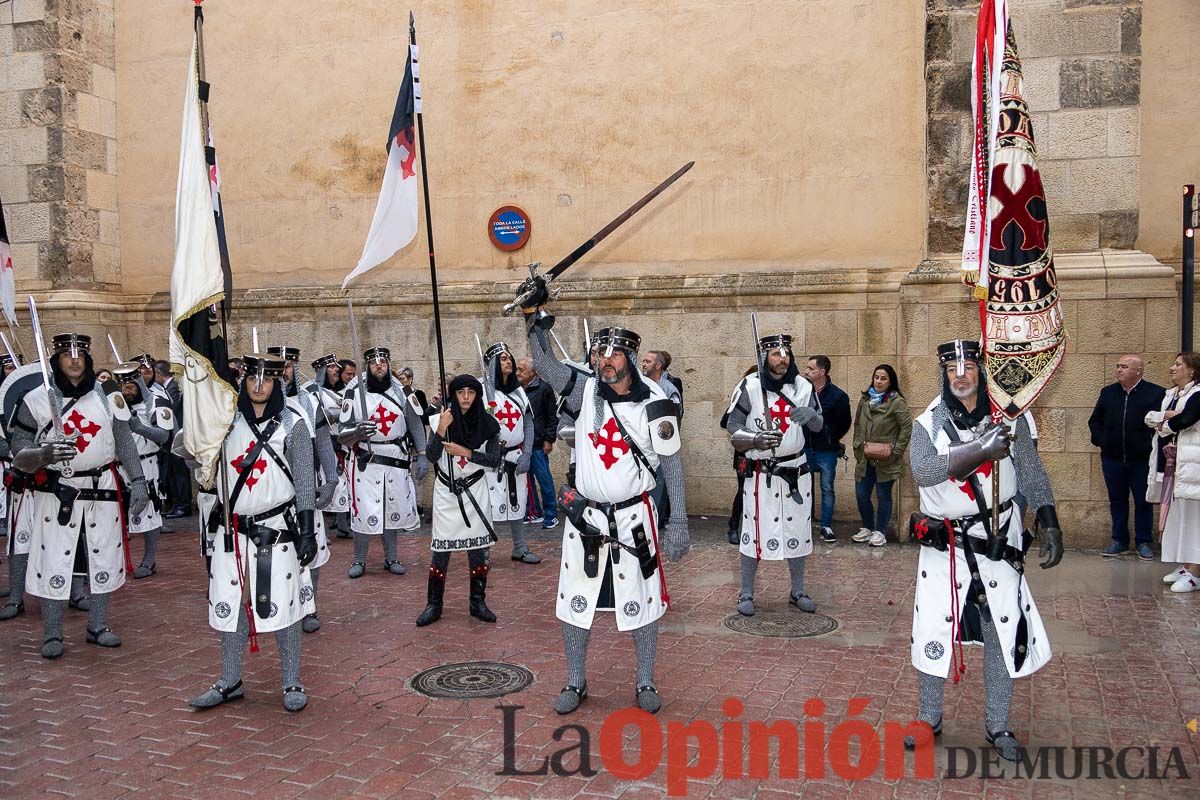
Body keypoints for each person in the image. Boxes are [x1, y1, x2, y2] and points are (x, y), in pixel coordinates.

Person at [525, 306, 689, 715]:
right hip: (588, 520)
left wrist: (680, 521)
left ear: (630, 358)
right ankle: (576, 680)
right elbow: (544, 364)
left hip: (635, 519)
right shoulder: (586, 390)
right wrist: (533, 317)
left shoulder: (656, 401)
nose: (605, 361)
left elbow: (671, 463)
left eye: (614, 354)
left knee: (643, 603)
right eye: (600, 354)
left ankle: (646, 679)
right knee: (577, 603)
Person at [905, 339, 1063, 762]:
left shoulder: (1011, 417)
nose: (961, 375)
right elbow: (922, 471)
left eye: (969, 366)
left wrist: (1048, 519)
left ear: (980, 369)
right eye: (953, 368)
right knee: (935, 629)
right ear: (944, 373)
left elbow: (1030, 470)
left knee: (1000, 630)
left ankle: (998, 724)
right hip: (947, 546)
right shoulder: (928, 423)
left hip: (1000, 540)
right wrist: (980, 449)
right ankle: (929, 716)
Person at [8, 333, 150, 659]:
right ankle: (52, 631)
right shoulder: (37, 400)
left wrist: (139, 481)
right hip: (58, 492)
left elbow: (124, 442)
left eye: (81, 355)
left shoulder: (106, 397)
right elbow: (19, 452)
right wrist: (44, 453)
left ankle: (97, 625)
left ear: (88, 359)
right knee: (54, 557)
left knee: (102, 555)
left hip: (102, 488)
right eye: (68, 355)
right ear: (57, 359)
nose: (75, 360)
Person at [189, 353, 317, 712]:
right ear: (243, 381)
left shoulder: (294, 423)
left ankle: (292, 680)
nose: (258, 385)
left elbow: (305, 480)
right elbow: (193, 455)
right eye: (251, 379)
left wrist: (307, 530)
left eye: (266, 379)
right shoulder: (226, 422)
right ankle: (230, 681)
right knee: (230, 605)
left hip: (278, 529)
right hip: (232, 531)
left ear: (277, 382)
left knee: (286, 606)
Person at [725, 332, 824, 617]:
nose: (782, 359)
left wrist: (811, 417)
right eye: (775, 354)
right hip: (762, 474)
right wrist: (755, 440)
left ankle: (798, 590)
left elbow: (819, 426)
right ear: (764, 357)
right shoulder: (750, 386)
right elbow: (732, 424)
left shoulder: (804, 386)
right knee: (753, 532)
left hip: (796, 471)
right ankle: (746, 591)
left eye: (786, 354)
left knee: (799, 532)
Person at [417, 374, 503, 626]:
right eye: (460, 392)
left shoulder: (489, 425)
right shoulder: (440, 420)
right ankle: (434, 604)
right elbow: (432, 456)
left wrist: (466, 452)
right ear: (453, 394)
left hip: (475, 490)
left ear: (477, 396)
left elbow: (494, 460)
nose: (466, 397)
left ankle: (478, 602)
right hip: (447, 492)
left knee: (478, 550)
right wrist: (441, 428)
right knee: (441, 550)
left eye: (471, 392)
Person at [337, 347, 429, 578]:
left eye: (384, 362)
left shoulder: (402, 392)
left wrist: (423, 454)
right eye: (375, 363)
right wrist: (357, 431)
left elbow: (416, 424)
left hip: (395, 458)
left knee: (392, 508)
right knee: (364, 510)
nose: (379, 366)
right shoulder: (354, 391)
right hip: (366, 460)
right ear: (368, 366)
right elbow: (342, 432)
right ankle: (359, 559)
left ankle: (391, 557)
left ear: (388, 365)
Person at [270, 346, 338, 631]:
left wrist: (331, 479)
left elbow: (322, 442)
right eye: (279, 366)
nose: (284, 372)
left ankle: (310, 606)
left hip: (305, 485)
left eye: (288, 366)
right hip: (270, 488)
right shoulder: (257, 402)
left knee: (313, 546)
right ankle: (278, 603)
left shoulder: (309, 402)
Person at [1088, 355, 1165, 560]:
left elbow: (1162, 425)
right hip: (1112, 459)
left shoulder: (1156, 393)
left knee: (1143, 501)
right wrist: (1102, 440)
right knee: (1117, 500)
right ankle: (1119, 541)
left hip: (1142, 459)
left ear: (1138, 371)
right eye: (1118, 366)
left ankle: (1143, 542)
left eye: (1124, 367)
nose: (1119, 370)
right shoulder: (1108, 393)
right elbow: (1095, 421)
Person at [112, 361, 175, 578]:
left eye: (130, 387)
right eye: (122, 387)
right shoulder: (113, 406)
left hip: (147, 464)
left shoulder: (156, 402)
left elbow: (165, 435)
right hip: (118, 467)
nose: (126, 392)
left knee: (149, 512)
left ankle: (149, 559)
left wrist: (138, 426)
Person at [480, 342, 540, 563]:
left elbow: (529, 425)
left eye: (509, 358)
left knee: (518, 502)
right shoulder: (482, 391)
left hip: (515, 456)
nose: (508, 362)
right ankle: (483, 550)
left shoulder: (519, 394)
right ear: (493, 364)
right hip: (490, 458)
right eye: (502, 359)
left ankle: (520, 547)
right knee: (487, 504)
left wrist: (527, 454)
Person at [1146, 352, 1200, 592]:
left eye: (1179, 364)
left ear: (1193, 370)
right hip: (1174, 464)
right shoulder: (1171, 394)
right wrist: (1166, 418)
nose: (1172, 368)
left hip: (1192, 464)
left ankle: (1195, 571)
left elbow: (1186, 419)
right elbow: (1150, 418)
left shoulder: (1198, 394)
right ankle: (1186, 563)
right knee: (1179, 516)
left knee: (1195, 517)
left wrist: (1166, 422)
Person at [851, 364, 912, 548]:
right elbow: (857, 425)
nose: (879, 381)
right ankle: (868, 528)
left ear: (890, 381)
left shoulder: (896, 401)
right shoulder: (865, 399)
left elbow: (906, 428)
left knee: (883, 495)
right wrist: (857, 446)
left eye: (883, 378)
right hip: (865, 457)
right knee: (861, 494)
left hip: (886, 458)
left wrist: (897, 451)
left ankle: (880, 531)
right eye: (876, 377)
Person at [802, 355, 851, 544]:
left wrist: (831, 437)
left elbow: (845, 422)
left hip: (826, 450)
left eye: (810, 369)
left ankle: (825, 525)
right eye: (806, 368)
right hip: (804, 448)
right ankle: (802, 525)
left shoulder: (838, 396)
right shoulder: (802, 392)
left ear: (822, 372)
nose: (806, 372)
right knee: (802, 487)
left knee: (827, 488)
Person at [302, 353, 352, 538]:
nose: (336, 370)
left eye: (336, 367)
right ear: (321, 370)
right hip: (321, 444)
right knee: (319, 484)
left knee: (342, 485)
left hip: (344, 444)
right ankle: (319, 528)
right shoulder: (309, 392)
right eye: (331, 367)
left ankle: (343, 525)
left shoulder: (344, 391)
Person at [517, 356, 559, 531]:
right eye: (517, 369)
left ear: (533, 372)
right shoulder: (517, 390)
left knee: (544, 480)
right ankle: (534, 512)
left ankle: (551, 514)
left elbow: (552, 417)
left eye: (521, 370)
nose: (517, 373)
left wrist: (549, 440)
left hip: (538, 443)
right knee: (526, 481)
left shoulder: (544, 389)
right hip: (522, 444)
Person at [156, 359, 192, 519]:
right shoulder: (167, 387)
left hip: (177, 436)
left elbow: (171, 411)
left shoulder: (173, 388)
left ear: (158, 373)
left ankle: (183, 505)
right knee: (173, 472)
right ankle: (176, 503)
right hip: (169, 438)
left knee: (179, 472)